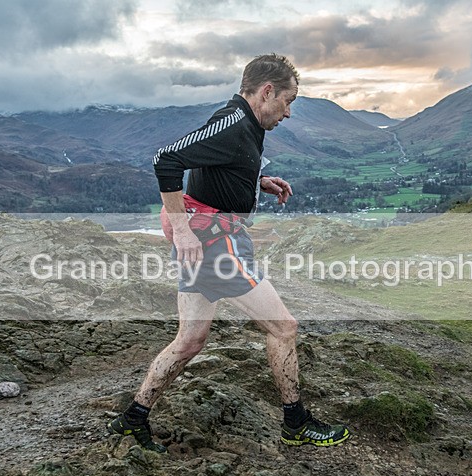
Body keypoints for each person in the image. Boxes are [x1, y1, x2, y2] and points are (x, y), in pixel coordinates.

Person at [108, 53, 349, 452]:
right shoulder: (234, 123)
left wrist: (257, 181)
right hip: (215, 243)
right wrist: (182, 229)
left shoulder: (243, 123)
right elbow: (165, 160)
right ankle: (296, 422)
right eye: (288, 101)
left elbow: (215, 165)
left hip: (209, 239)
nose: (288, 113)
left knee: (189, 340)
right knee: (284, 328)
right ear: (267, 91)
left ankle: (133, 419)